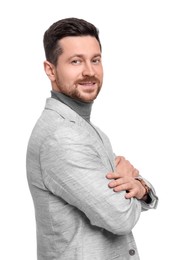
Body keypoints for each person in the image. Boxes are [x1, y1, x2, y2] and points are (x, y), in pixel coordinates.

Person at [26, 17, 158, 260]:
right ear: (50, 70)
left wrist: (140, 186)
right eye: (75, 61)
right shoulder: (61, 137)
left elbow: (130, 191)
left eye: (95, 60)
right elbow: (120, 217)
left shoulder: (86, 129)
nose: (89, 71)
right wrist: (133, 184)